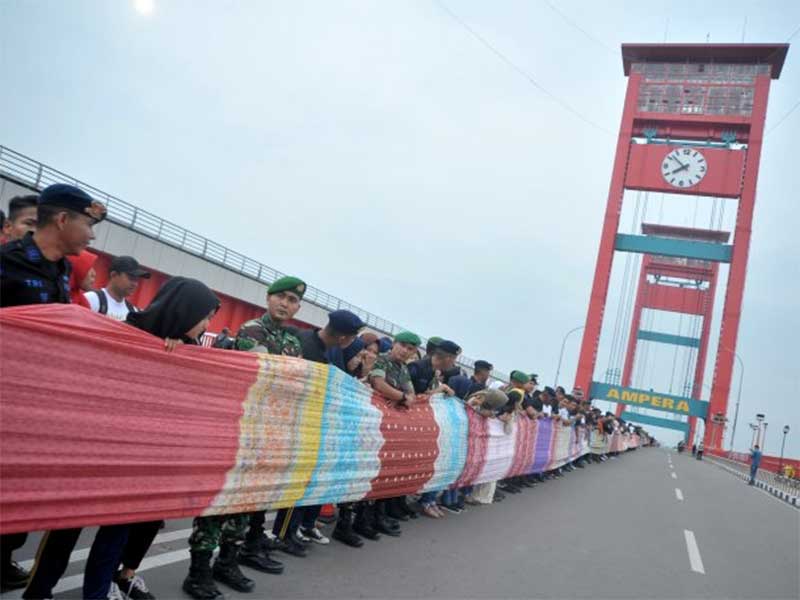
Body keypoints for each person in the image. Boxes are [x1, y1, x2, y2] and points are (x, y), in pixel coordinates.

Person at [1, 184, 106, 596]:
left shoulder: (61, 269)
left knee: (21, 498)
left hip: (37, 407)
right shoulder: (8, 262)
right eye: (88, 224)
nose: (92, 236)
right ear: (63, 220)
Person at [293, 310, 368, 548]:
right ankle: (286, 533)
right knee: (299, 483)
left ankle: (306, 525)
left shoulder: (331, 349)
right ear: (346, 338)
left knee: (317, 479)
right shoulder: (305, 343)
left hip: (321, 425)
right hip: (301, 424)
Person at [367, 331, 422, 534]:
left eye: (410, 349)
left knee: (385, 471)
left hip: (391, 426)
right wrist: (402, 397)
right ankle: (356, 521)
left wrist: (403, 397)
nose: (405, 351)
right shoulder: (381, 361)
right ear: (394, 344)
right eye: (403, 346)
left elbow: (412, 395)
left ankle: (377, 516)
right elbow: (379, 384)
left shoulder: (403, 369)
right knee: (368, 471)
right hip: (372, 423)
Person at [86, 255, 150, 320]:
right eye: (131, 278)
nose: (135, 284)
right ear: (114, 275)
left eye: (137, 279)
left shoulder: (134, 312)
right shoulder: (91, 299)